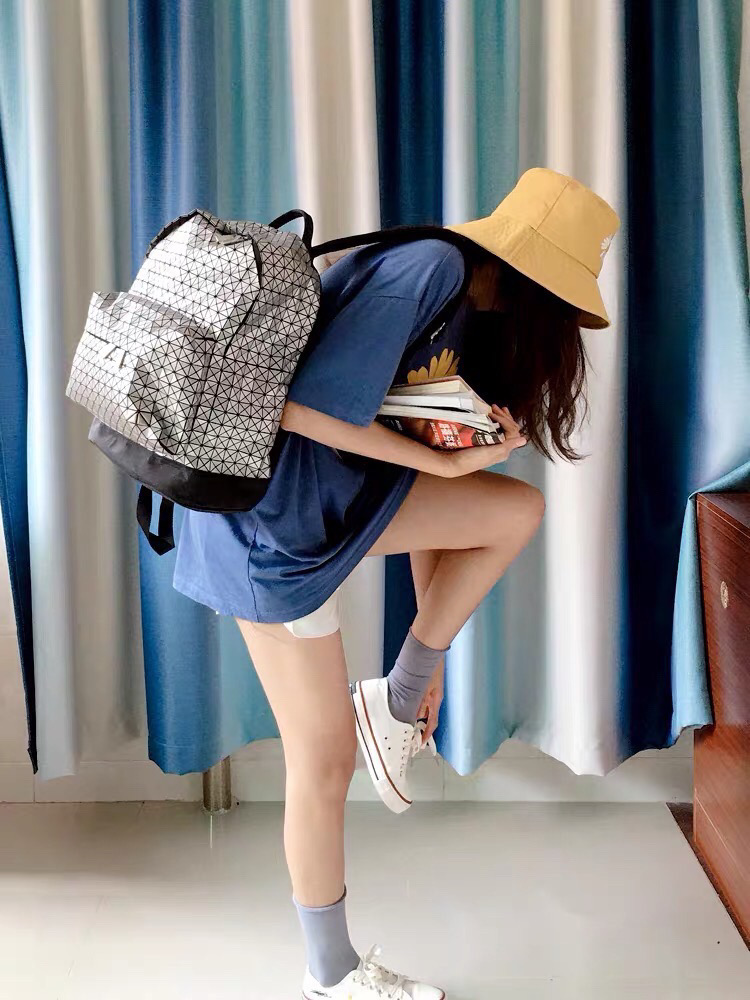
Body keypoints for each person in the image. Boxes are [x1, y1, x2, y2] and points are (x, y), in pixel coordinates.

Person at [173, 167, 620, 999]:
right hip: (272, 528)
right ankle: (331, 975)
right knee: (323, 761)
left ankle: (394, 697)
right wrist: (443, 467)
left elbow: (421, 474)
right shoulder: (432, 270)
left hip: (328, 509)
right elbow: (296, 408)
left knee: (512, 510)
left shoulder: (462, 301)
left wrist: (425, 659)